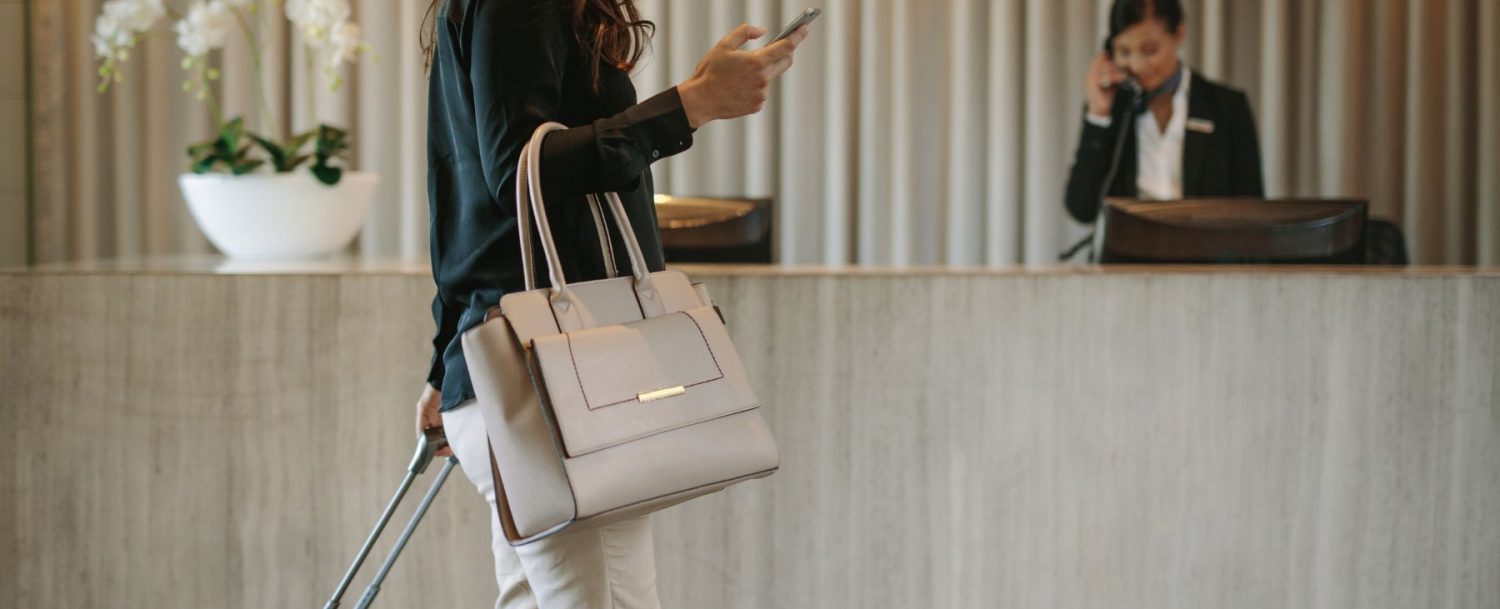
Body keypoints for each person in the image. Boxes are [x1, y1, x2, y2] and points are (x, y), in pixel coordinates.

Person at [415, 0, 809, 607]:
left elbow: (460, 199)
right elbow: (520, 170)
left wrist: (448, 362)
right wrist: (692, 104)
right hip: (552, 388)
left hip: (529, 382)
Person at [1064, 0, 1265, 225]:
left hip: (1207, 254)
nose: (1137, 65)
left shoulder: (1227, 107)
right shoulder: (1112, 108)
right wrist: (1098, 115)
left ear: (1178, 34)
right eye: (1124, 51)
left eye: (1150, 50)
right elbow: (1082, 210)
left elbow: (1252, 212)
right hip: (1127, 255)